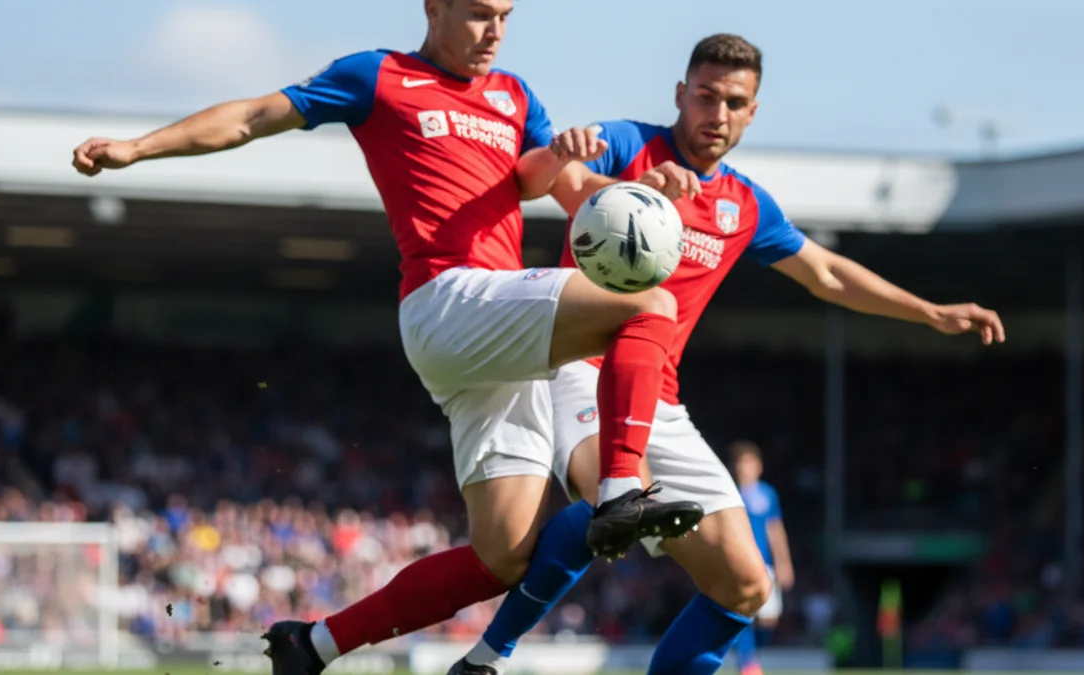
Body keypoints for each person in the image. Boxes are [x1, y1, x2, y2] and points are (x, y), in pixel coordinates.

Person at [70, 1, 706, 673]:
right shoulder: (379, 76)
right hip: (450, 296)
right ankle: (617, 491)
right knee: (650, 303)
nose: (494, 32)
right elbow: (257, 115)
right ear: (434, 7)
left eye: (506, 17)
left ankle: (312, 644)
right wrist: (137, 147)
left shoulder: (515, 95)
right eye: (478, 14)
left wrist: (642, 190)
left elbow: (565, 190)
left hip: (495, 338)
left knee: (502, 557)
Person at [447, 33, 1005, 675]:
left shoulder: (745, 205)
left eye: (733, 102)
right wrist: (592, 167)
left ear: (752, 111)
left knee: (746, 584)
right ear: (680, 95)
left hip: (662, 399)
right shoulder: (630, 143)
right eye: (705, 97)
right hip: (580, 370)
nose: (717, 114)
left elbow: (826, 274)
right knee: (617, 499)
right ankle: (487, 659)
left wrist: (930, 312)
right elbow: (552, 176)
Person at [729, 441, 794, 675]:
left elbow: (775, 530)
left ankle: (748, 657)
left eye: (749, 462)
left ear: (759, 466)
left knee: (768, 619)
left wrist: (784, 562)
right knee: (744, 612)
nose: (744, 468)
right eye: (741, 463)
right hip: (740, 562)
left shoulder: (767, 494)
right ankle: (747, 663)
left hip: (765, 563)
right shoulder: (731, 493)